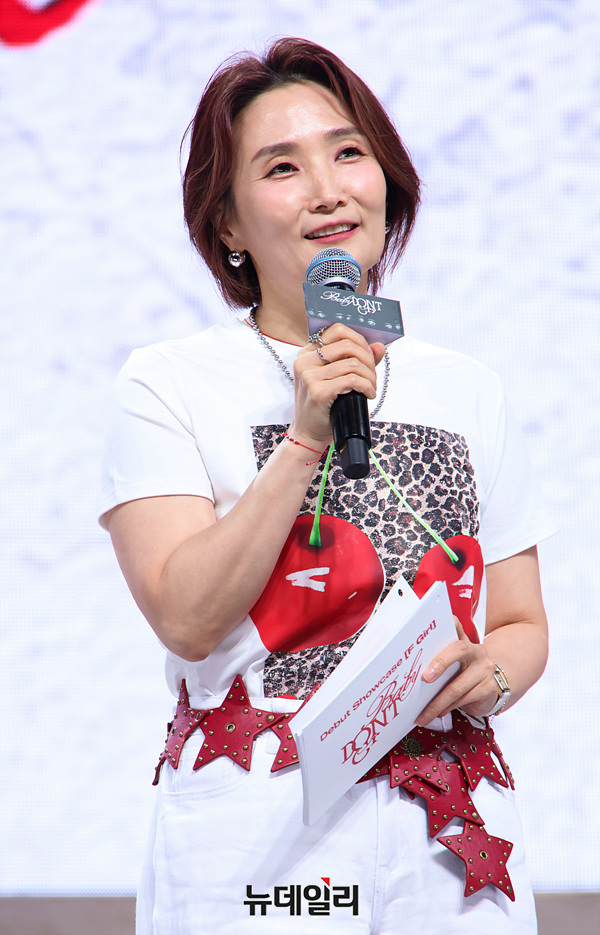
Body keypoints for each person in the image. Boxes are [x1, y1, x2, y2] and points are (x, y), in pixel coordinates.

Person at [100, 38, 554, 934]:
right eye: (281, 167)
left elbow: (521, 622)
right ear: (227, 224)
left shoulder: (467, 388)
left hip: (450, 830)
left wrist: (490, 673)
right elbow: (185, 616)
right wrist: (306, 438)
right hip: (262, 831)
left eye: (348, 153)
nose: (328, 190)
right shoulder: (169, 381)